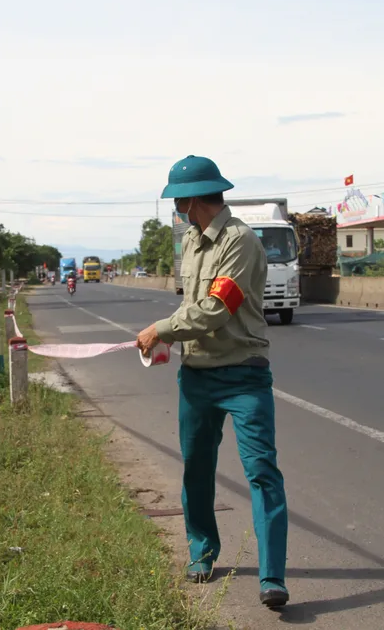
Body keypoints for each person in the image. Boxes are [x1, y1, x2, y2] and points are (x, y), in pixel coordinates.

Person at [136, 155, 289, 608]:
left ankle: (272, 577)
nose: (178, 210)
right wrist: (168, 341)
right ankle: (201, 552)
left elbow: (218, 308)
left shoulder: (239, 241)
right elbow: (191, 309)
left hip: (244, 375)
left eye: (180, 202)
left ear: (192, 200)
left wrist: (160, 329)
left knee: (262, 472)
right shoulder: (191, 243)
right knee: (196, 470)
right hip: (197, 377)